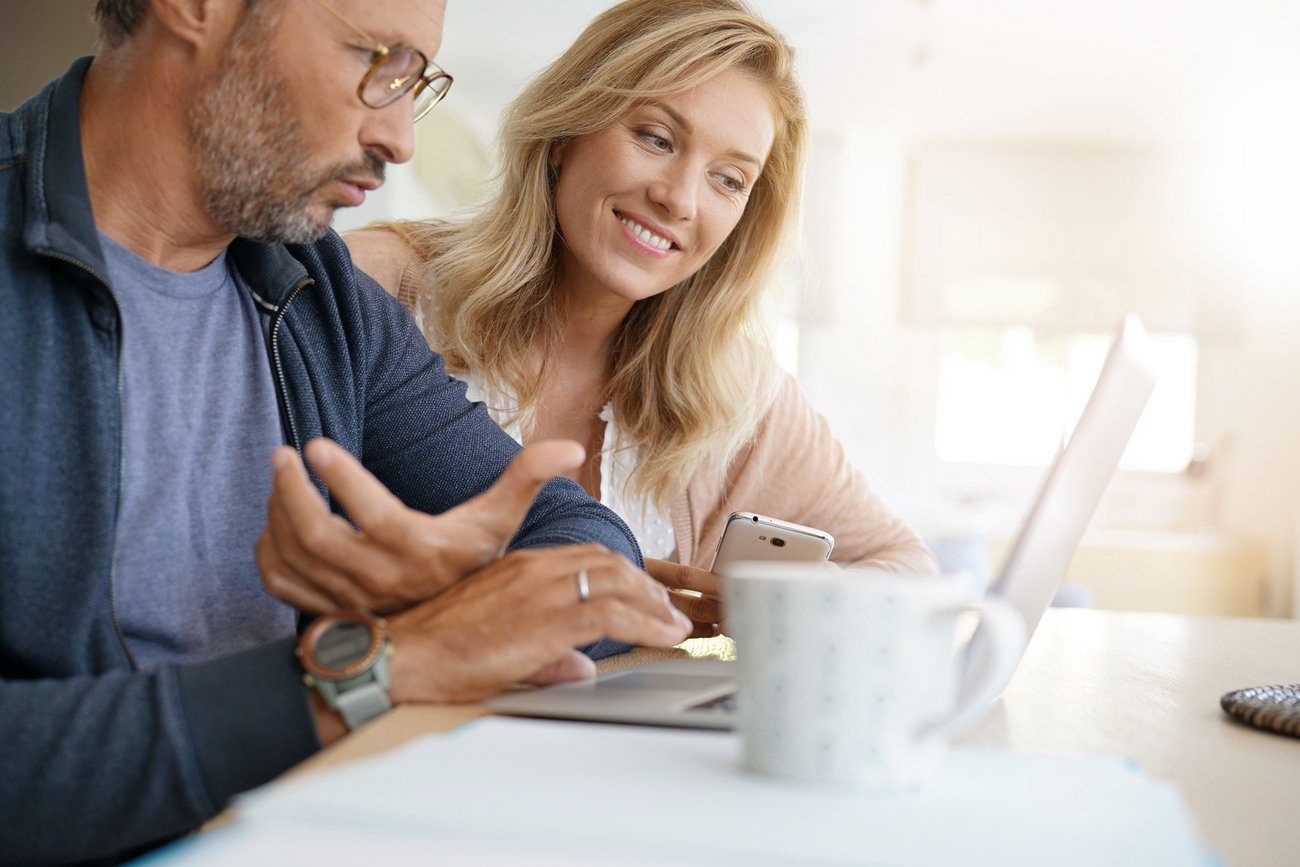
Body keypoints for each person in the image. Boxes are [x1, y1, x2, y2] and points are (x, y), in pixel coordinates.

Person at [0, 0, 691, 862]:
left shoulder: (320, 293)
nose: (400, 137)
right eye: (378, 59)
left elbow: (590, 546)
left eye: (416, 81)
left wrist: (450, 594)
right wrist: (364, 671)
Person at [346, 0, 938, 635]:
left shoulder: (735, 392)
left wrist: (807, 605)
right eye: (656, 139)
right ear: (566, 132)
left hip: (619, 729)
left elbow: (908, 568)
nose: (679, 198)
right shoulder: (375, 285)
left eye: (729, 180)